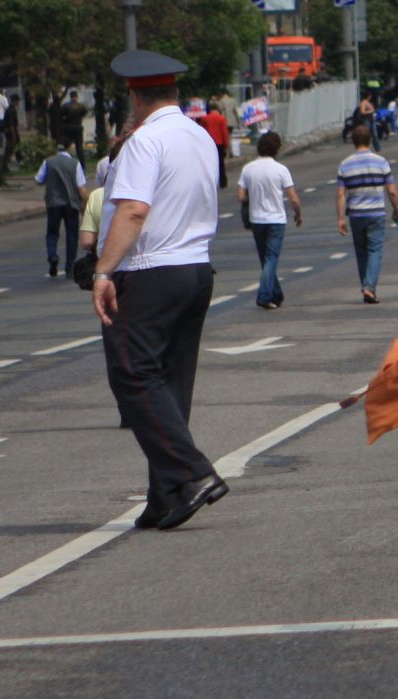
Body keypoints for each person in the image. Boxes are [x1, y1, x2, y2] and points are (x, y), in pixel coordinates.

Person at [90, 50, 227, 531]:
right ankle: (165, 495)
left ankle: (192, 474)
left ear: (134, 94)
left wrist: (103, 272)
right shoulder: (199, 136)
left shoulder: (144, 142)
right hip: (196, 268)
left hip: (149, 270)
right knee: (171, 382)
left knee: (132, 374)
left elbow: (132, 210)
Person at [336, 124, 398, 305]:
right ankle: (369, 287)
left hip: (356, 215)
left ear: (353, 141)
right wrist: (397, 210)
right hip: (376, 214)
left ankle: (366, 287)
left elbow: (340, 194)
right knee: (375, 250)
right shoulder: (381, 162)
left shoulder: (345, 164)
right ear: (370, 140)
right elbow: (392, 190)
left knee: (361, 252)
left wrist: (341, 218)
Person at [237, 131, 303, 310]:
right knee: (271, 259)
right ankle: (264, 296)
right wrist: (298, 213)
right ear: (277, 148)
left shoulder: (248, 168)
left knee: (265, 260)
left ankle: (276, 294)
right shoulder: (280, 169)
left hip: (256, 219)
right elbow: (294, 199)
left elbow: (240, 195)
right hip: (276, 219)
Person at [36, 143, 88, 278]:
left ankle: (52, 255)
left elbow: (38, 179)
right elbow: (81, 187)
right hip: (72, 204)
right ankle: (69, 267)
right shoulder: (75, 164)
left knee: (52, 233)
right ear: (70, 147)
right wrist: (86, 204)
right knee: (72, 235)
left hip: (53, 203)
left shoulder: (48, 162)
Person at [196, 100, 229, 187]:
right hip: (219, 143)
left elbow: (201, 130)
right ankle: (222, 181)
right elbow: (224, 133)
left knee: (209, 163)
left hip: (208, 143)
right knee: (220, 163)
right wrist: (226, 145)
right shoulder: (221, 118)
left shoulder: (205, 118)